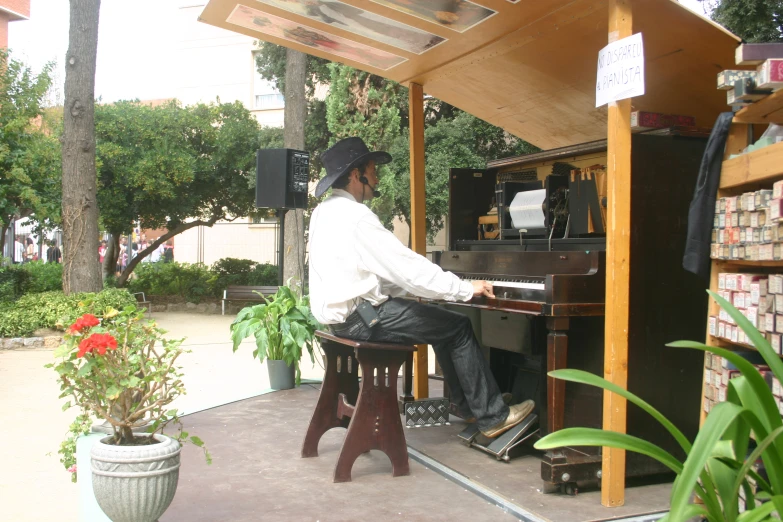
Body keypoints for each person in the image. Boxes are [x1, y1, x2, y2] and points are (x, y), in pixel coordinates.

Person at [307, 137, 534, 439]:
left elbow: (367, 271)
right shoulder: (357, 217)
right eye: (372, 170)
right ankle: (493, 416)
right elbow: (407, 267)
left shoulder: (324, 212)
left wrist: (415, 292)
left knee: (442, 326)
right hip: (363, 320)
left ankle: (469, 406)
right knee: (459, 327)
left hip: (342, 320)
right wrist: (464, 288)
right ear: (355, 175)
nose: (377, 177)